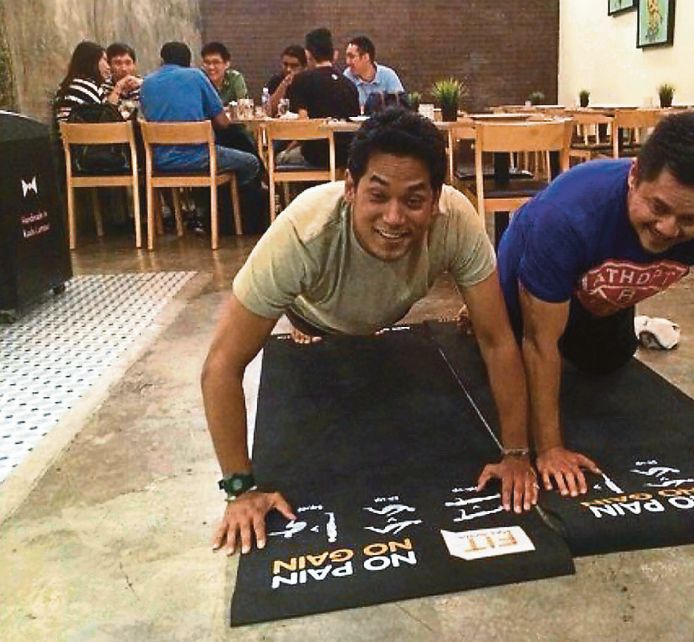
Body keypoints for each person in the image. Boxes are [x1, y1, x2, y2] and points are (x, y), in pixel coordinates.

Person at [202, 109, 535, 555]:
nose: (394, 217)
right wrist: (240, 490)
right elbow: (221, 366)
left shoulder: (456, 220)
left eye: (414, 200)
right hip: (313, 318)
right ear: (350, 188)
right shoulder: (304, 232)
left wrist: (516, 453)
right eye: (378, 195)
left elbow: (497, 340)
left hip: (389, 317)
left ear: (436, 200)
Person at [496, 110, 694, 498]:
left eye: (690, 218)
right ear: (634, 177)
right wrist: (550, 449)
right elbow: (539, 342)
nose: (668, 228)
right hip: (526, 277)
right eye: (658, 208)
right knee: (509, 359)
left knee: (606, 363)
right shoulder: (565, 215)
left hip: (605, 294)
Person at [139, 41, 261, 231]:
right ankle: (232, 219)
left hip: (159, 162)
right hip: (200, 158)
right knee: (251, 162)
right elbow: (222, 122)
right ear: (190, 63)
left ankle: (199, 216)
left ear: (161, 61)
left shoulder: (146, 83)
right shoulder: (196, 76)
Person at [284, 27, 360, 167]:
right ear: (333, 54)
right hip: (347, 155)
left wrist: (288, 148)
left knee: (281, 158)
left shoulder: (302, 80)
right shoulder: (349, 85)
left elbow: (303, 124)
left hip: (316, 156)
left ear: (308, 54)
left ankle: (300, 189)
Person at [53, 41, 140, 125]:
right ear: (93, 62)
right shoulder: (89, 86)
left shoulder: (67, 85)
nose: (107, 67)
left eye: (128, 63)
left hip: (67, 138)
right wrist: (118, 88)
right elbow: (107, 119)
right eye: (105, 61)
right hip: (86, 137)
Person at [343, 36, 404, 113]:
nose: (347, 62)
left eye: (351, 57)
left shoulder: (388, 76)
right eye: (347, 57)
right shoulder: (347, 77)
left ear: (366, 57)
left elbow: (400, 105)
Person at [262, 45, 306, 117]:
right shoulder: (276, 80)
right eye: (285, 64)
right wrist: (284, 85)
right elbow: (268, 111)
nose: (288, 69)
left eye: (294, 65)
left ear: (303, 67)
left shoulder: (309, 82)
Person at [100, 42, 142, 109]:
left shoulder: (143, 86)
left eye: (128, 63)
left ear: (134, 65)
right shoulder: (103, 87)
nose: (124, 68)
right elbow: (107, 113)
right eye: (118, 63)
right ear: (109, 65)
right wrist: (118, 87)